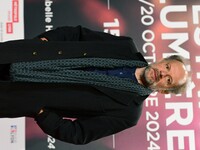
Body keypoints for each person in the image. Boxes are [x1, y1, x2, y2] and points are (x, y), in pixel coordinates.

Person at [0, 25, 189, 144]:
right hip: (21, 56)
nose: (162, 73)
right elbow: (78, 34)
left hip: (21, 95)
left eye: (169, 79)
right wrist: (45, 42)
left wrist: (41, 112)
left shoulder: (128, 114)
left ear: (164, 90)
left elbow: (79, 134)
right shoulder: (125, 46)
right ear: (163, 60)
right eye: (167, 66)